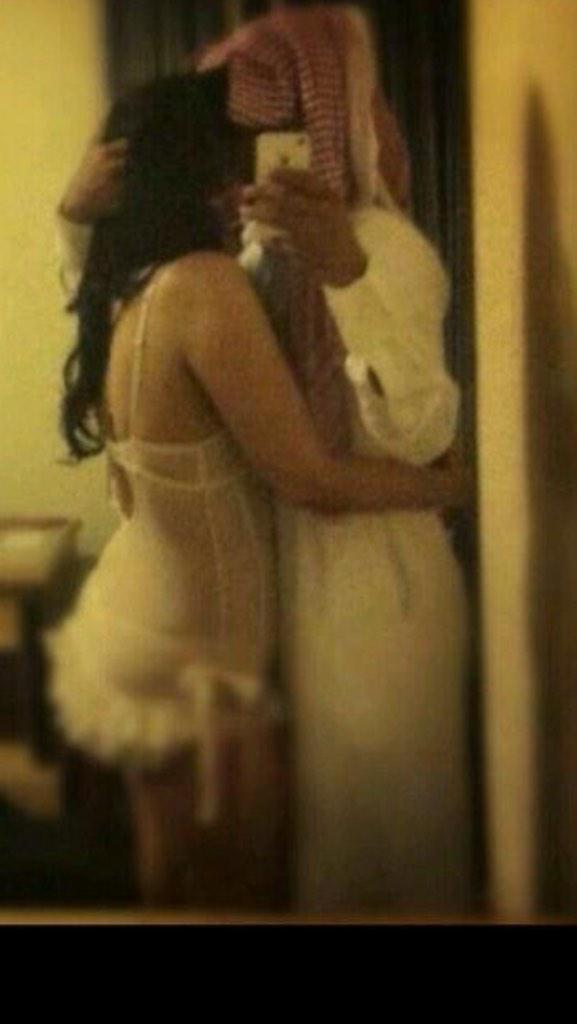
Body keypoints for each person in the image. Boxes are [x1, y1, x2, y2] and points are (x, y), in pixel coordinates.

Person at [50, 69, 467, 908]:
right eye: (233, 152)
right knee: (235, 891)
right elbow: (308, 477)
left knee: (171, 881)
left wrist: (72, 216)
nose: (247, 172)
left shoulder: (128, 290)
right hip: (202, 661)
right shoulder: (205, 288)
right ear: (202, 170)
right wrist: (450, 486)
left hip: (141, 618)